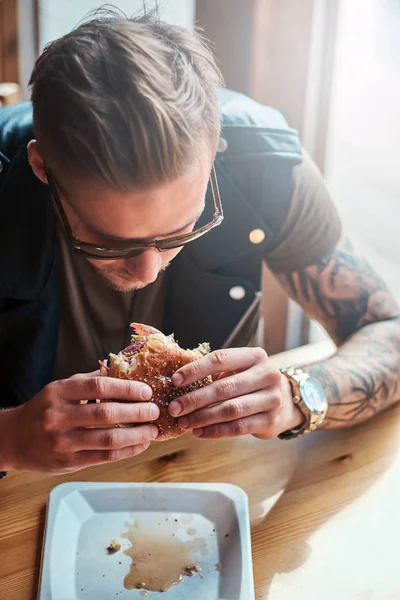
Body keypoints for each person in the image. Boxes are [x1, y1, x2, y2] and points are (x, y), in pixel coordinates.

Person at [0, 10, 399, 476]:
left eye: (181, 230)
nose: (147, 270)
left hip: (210, 481)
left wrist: (300, 394)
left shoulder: (263, 168)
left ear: (213, 155)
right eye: (108, 241)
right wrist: (9, 438)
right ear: (42, 166)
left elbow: (387, 331)